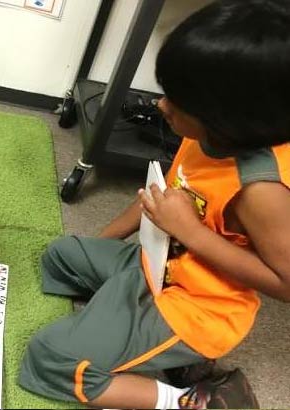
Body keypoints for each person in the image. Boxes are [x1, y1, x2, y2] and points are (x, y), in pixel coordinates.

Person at [19, 0, 290, 408]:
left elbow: (285, 284)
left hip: (197, 307)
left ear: (228, 116)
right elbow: (158, 199)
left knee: (49, 359)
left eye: (178, 104)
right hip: (155, 265)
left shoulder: (261, 189)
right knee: (61, 255)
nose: (161, 106)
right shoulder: (209, 135)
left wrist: (190, 231)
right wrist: (103, 252)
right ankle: (128, 325)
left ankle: (190, 399)